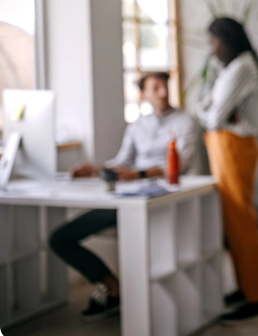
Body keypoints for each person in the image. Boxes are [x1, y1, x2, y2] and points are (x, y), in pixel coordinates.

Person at [49, 72, 196, 321]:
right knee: (60, 238)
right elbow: (121, 162)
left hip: (161, 201)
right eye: (155, 88)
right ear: (144, 94)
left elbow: (180, 166)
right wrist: (96, 169)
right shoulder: (137, 126)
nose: (163, 92)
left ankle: (145, 305)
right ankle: (113, 287)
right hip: (128, 199)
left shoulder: (184, 121)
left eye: (165, 86)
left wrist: (137, 174)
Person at [196, 17, 258, 325]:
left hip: (234, 148)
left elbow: (211, 116)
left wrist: (208, 109)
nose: (212, 49)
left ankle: (255, 298)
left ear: (226, 40)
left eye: (214, 42)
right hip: (226, 147)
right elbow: (211, 109)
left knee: (241, 220)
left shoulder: (241, 67)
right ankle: (244, 289)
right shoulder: (231, 68)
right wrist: (211, 108)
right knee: (233, 222)